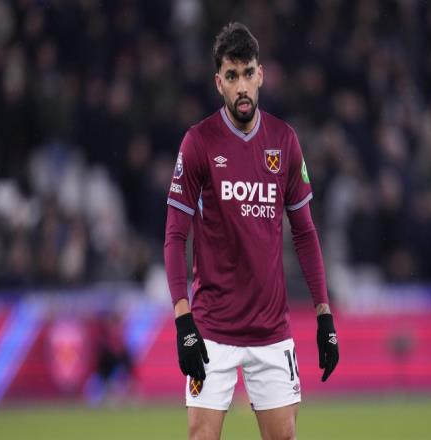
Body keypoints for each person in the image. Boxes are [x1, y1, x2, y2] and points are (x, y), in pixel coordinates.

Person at [164, 22, 339, 440]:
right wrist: (183, 321)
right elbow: (174, 235)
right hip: (212, 328)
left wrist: (324, 315)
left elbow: (305, 233)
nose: (241, 86)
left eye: (247, 74)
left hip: (270, 331)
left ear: (260, 75)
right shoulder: (199, 142)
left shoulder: (284, 140)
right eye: (231, 76)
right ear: (218, 83)